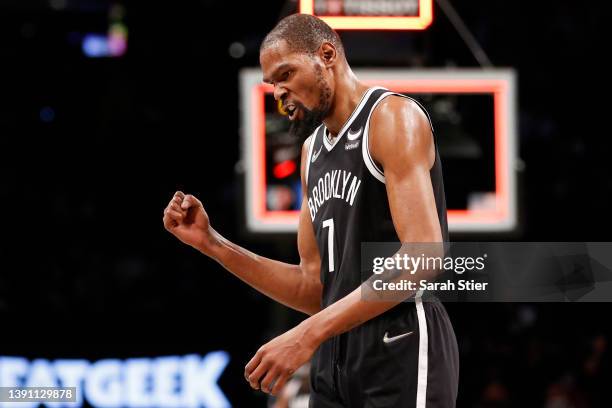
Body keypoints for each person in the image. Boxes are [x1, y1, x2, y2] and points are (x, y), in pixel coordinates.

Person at [163, 13, 458, 408]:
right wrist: (214, 244)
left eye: (286, 74)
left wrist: (306, 334)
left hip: (400, 339)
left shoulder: (391, 118)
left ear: (327, 55)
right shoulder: (311, 151)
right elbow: (312, 287)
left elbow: (424, 254)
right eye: (272, 83)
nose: (279, 92)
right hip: (335, 354)